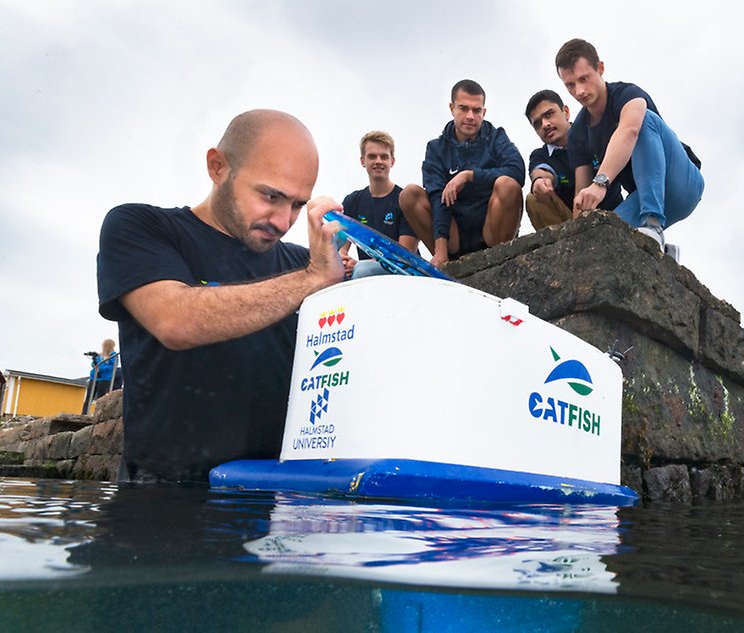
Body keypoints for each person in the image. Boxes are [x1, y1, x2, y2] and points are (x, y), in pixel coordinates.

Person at [96, 109, 345, 483]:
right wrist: (312, 277)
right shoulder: (142, 228)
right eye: (270, 195)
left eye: (296, 205)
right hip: (161, 501)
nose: (282, 221)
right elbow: (174, 320)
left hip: (275, 498)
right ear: (217, 167)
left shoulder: (304, 266)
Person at [555, 38, 704, 255]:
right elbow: (581, 192)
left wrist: (601, 183)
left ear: (600, 68)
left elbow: (629, 131)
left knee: (644, 118)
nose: (579, 91)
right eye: (570, 85)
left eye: (584, 79)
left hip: (681, 182)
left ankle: (652, 224)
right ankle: (663, 254)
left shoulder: (628, 95)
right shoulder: (577, 132)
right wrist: (576, 242)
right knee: (599, 239)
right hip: (642, 198)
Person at [400, 79, 525, 268]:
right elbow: (435, 195)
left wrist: (469, 175)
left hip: (492, 229)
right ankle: (444, 260)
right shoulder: (436, 148)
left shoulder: (496, 137)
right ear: (452, 108)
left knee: (508, 185)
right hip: (454, 235)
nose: (470, 116)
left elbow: (517, 171)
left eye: (476, 110)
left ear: (484, 112)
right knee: (409, 195)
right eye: (463, 108)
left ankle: (503, 255)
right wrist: (440, 250)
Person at [523, 89, 621, 230]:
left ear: (566, 112)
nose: (545, 124)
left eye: (549, 115)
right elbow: (541, 170)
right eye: (537, 123)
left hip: (613, 214)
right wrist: (539, 182)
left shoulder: (593, 135)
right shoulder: (540, 155)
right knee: (534, 200)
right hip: (569, 224)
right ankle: (562, 248)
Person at [339, 131, 418, 279]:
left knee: (361, 270)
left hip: (404, 275)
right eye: (372, 156)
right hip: (362, 272)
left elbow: (404, 257)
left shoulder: (404, 200)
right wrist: (344, 261)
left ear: (392, 161)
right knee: (336, 272)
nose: (378, 161)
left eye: (384, 156)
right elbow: (341, 248)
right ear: (363, 161)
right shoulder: (352, 202)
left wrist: (357, 265)